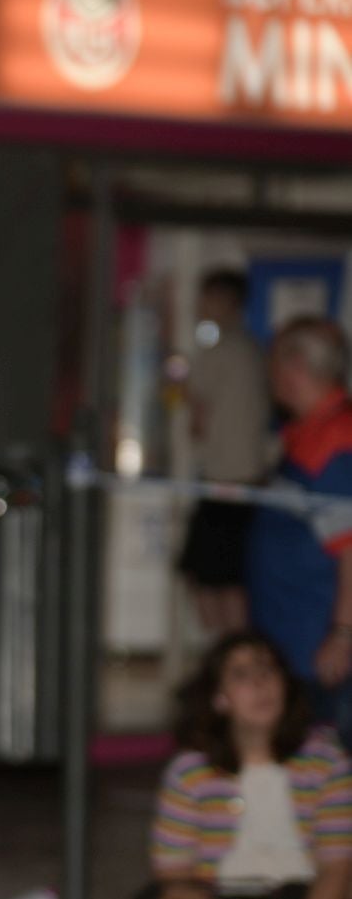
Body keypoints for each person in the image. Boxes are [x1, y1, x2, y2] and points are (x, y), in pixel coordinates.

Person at [104, 632, 352, 899]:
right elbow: (172, 879)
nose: (260, 684)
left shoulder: (325, 763)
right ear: (220, 699)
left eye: (267, 670)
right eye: (242, 675)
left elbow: (337, 867)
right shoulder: (192, 771)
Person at [245, 317, 352, 738]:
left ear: (295, 368)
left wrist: (343, 634)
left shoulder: (335, 444)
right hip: (297, 636)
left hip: (321, 646)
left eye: (274, 361)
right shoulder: (309, 431)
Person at [178, 269, 269, 635]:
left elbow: (195, 412)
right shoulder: (252, 348)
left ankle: (228, 656)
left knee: (212, 579)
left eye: (206, 297)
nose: (198, 306)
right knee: (229, 578)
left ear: (225, 301)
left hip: (224, 482)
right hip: (247, 480)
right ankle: (233, 655)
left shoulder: (220, 351)